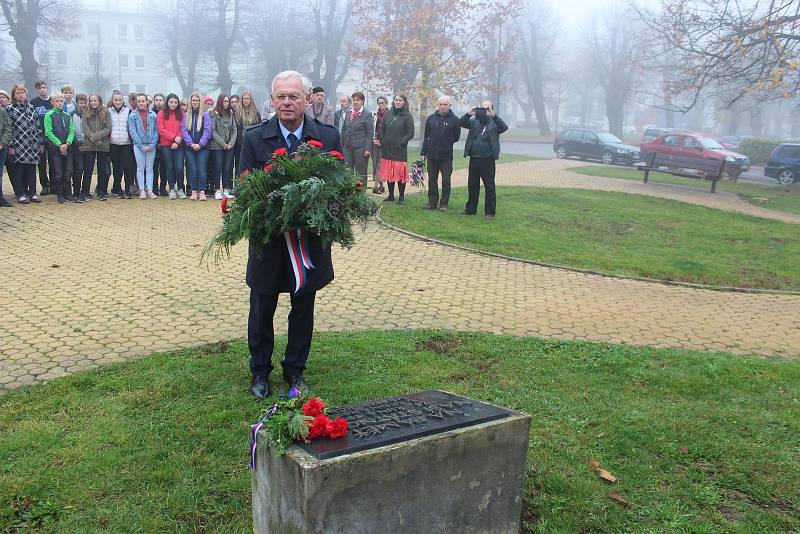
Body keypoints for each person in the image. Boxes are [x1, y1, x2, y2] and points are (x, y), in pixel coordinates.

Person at [238, 70, 341, 399]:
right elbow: (245, 190)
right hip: (268, 242)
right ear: (272, 100)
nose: (286, 102)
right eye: (280, 96)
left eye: (293, 96)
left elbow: (337, 187)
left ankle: (295, 370)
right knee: (262, 307)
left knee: (302, 307)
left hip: (308, 243)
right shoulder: (254, 138)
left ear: (307, 99)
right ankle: (260, 371)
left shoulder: (326, 137)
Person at [460, 100, 508, 219]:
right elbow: (460, 122)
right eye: (483, 108)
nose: (485, 110)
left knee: (489, 186)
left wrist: (494, 115)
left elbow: (504, 127)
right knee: (472, 185)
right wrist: (469, 113)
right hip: (474, 158)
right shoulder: (474, 121)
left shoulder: (495, 122)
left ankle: (489, 212)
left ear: (492, 109)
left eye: (488, 108)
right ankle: (471, 209)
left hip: (488, 159)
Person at [420, 95, 461, 211]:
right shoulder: (431, 118)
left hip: (446, 157)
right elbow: (426, 136)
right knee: (432, 180)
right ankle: (432, 202)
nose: (442, 107)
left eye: (445, 105)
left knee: (446, 181)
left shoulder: (454, 120)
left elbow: (456, 137)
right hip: (432, 156)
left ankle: (444, 204)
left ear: (449, 106)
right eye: (440, 104)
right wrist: (424, 152)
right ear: (437, 105)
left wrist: (446, 143)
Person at [6, 85, 42, 204]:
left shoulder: (31, 108)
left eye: (22, 93)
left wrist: (40, 144)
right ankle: (20, 193)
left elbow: (38, 127)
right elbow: (8, 128)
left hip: (32, 145)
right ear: (14, 95)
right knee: (18, 170)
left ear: (26, 94)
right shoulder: (10, 109)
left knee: (31, 170)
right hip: (18, 144)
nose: (20, 95)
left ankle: (33, 193)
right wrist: (10, 146)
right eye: (18, 93)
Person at [377, 93, 414, 204]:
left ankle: (401, 197)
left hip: (399, 150)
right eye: (396, 100)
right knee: (389, 173)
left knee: (400, 174)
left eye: (400, 100)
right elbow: (382, 128)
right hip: (387, 149)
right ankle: (391, 195)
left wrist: (401, 142)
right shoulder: (388, 113)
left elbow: (410, 133)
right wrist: (382, 141)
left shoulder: (407, 116)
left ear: (404, 102)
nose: (397, 102)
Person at [43, 92, 75, 203]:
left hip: (68, 147)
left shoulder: (67, 115)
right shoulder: (49, 115)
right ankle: (60, 194)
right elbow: (48, 132)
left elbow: (72, 130)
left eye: (61, 101)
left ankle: (68, 193)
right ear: (52, 102)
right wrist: (59, 144)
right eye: (57, 101)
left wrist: (67, 143)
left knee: (68, 171)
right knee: (58, 171)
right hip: (55, 148)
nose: (59, 103)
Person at [182, 92, 212, 200]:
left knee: (201, 169)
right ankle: (194, 190)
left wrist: (200, 144)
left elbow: (207, 131)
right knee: (192, 169)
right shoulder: (186, 115)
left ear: (200, 102)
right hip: (189, 148)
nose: (195, 102)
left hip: (203, 148)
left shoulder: (205, 115)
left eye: (197, 100)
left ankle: (202, 190)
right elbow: (184, 131)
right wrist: (190, 143)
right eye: (193, 100)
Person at [81, 94, 112, 201]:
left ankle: (101, 191)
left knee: (102, 170)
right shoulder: (85, 112)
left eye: (95, 100)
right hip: (89, 145)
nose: (93, 102)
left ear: (99, 101)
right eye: (91, 101)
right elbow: (85, 128)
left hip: (102, 145)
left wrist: (96, 138)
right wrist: (93, 139)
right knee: (88, 169)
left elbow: (108, 128)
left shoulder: (106, 112)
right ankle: (84, 192)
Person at [128, 93, 159, 199]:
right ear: (136, 103)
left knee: (150, 168)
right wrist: (141, 146)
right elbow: (133, 131)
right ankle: (142, 190)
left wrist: (152, 144)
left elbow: (156, 131)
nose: (141, 103)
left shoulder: (153, 115)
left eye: (143, 101)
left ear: (147, 102)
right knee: (140, 168)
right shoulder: (132, 115)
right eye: (139, 101)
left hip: (151, 145)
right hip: (138, 146)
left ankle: (149, 189)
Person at [341, 91, 373, 187]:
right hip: (347, 147)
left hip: (360, 148)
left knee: (361, 173)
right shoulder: (349, 113)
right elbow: (344, 129)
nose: (355, 102)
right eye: (354, 100)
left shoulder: (367, 114)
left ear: (362, 101)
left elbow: (369, 133)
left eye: (357, 100)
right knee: (347, 171)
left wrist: (367, 149)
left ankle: (360, 196)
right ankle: (349, 194)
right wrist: (342, 144)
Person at [157, 93, 186, 199]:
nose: (173, 104)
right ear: (167, 102)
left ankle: (180, 188)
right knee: (170, 167)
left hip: (179, 144)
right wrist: (173, 138)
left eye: (175, 102)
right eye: (171, 102)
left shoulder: (182, 114)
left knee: (179, 167)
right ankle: (172, 188)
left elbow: (183, 128)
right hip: (166, 145)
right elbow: (161, 129)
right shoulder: (161, 113)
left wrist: (177, 141)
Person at [210, 93, 237, 199]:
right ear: (220, 102)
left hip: (229, 146)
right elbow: (213, 131)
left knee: (227, 168)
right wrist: (223, 144)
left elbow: (234, 130)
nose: (227, 103)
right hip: (217, 146)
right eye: (225, 101)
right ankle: (217, 190)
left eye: (228, 101)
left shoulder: (230, 114)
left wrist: (230, 143)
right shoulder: (214, 114)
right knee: (218, 168)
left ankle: (226, 189)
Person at [108, 91, 134, 198]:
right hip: (113, 143)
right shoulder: (108, 111)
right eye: (116, 100)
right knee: (116, 168)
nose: (118, 102)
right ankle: (117, 189)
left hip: (126, 143)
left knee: (127, 167)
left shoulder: (128, 111)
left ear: (123, 100)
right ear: (112, 100)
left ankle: (128, 189)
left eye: (120, 100)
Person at [30, 81, 53, 194]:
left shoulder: (52, 101)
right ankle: (45, 185)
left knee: (54, 162)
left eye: (44, 87)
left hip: (52, 136)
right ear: (37, 90)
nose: (42, 90)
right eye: (40, 88)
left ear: (47, 88)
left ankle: (54, 185)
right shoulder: (33, 102)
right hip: (39, 137)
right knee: (41, 163)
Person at [233, 90, 261, 174]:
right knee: (239, 163)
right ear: (241, 100)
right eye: (244, 98)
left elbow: (260, 127)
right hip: (239, 143)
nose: (246, 100)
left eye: (248, 98)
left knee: (252, 164)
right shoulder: (236, 112)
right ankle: (238, 184)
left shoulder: (256, 112)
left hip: (253, 142)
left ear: (251, 100)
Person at [69, 94, 88, 202]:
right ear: (77, 103)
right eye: (81, 103)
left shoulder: (89, 114)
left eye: (85, 103)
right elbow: (71, 131)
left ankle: (84, 192)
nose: (83, 105)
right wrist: (78, 145)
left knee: (87, 169)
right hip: (76, 146)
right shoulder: (71, 115)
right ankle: (76, 191)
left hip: (88, 145)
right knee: (78, 169)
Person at [150, 93, 167, 196]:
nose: (158, 102)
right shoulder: (151, 113)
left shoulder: (166, 113)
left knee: (164, 168)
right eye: (156, 100)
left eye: (160, 100)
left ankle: (163, 187)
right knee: (154, 168)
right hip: (153, 144)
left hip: (164, 143)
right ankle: (154, 188)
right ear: (153, 101)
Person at [371, 95, 388, 193]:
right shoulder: (375, 115)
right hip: (374, 142)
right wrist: (374, 139)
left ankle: (375, 186)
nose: (381, 105)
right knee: (375, 163)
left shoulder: (389, 114)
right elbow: (373, 129)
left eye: (383, 102)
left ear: (386, 103)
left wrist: (381, 141)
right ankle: (381, 185)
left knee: (380, 164)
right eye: (379, 103)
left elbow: (390, 131)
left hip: (385, 143)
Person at [0, 92, 12, 207]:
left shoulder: (2, 112)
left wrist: (3, 143)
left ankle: (0, 197)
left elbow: (8, 128)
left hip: (1, 147)